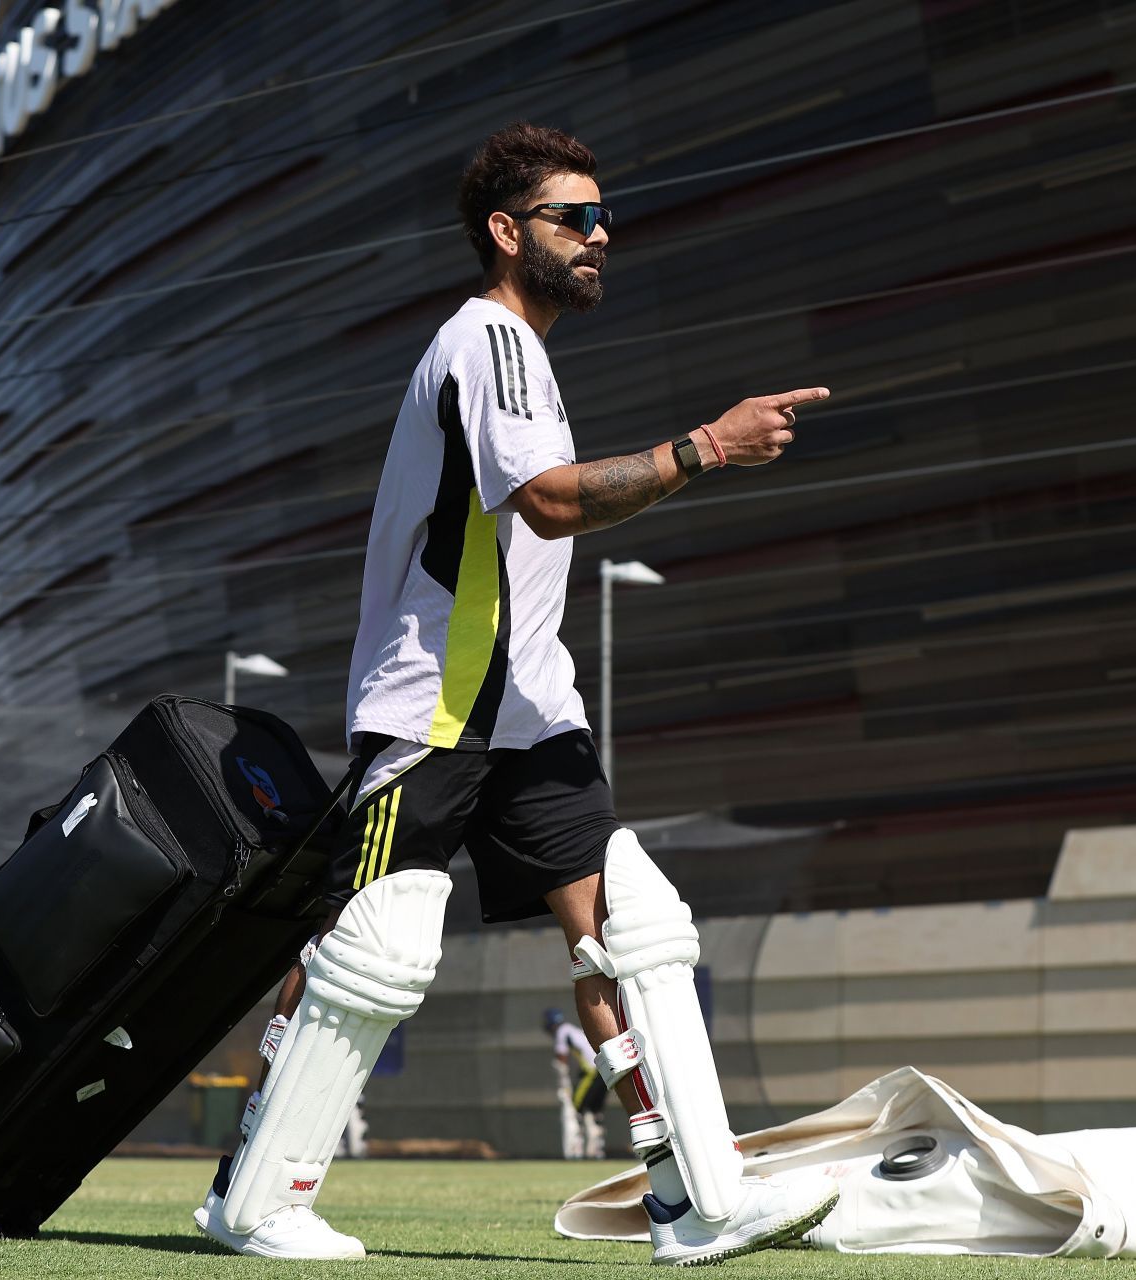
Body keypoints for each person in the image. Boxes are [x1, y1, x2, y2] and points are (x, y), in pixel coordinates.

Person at [193, 121, 837, 1266]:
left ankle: (696, 1196)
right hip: (438, 709)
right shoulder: (489, 340)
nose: (600, 235)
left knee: (632, 932)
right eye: (572, 218)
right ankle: (251, 1197)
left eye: (601, 217)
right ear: (506, 233)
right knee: (368, 945)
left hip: (531, 712)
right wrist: (712, 447)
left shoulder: (524, 352)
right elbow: (548, 501)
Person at [546, 1007, 605, 1159]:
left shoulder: (562, 1031)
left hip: (592, 1071)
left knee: (576, 1108)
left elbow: (561, 1058)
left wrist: (563, 1082)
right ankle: (596, 1150)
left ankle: (576, 1149)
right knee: (594, 1110)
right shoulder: (572, 1030)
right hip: (604, 1070)